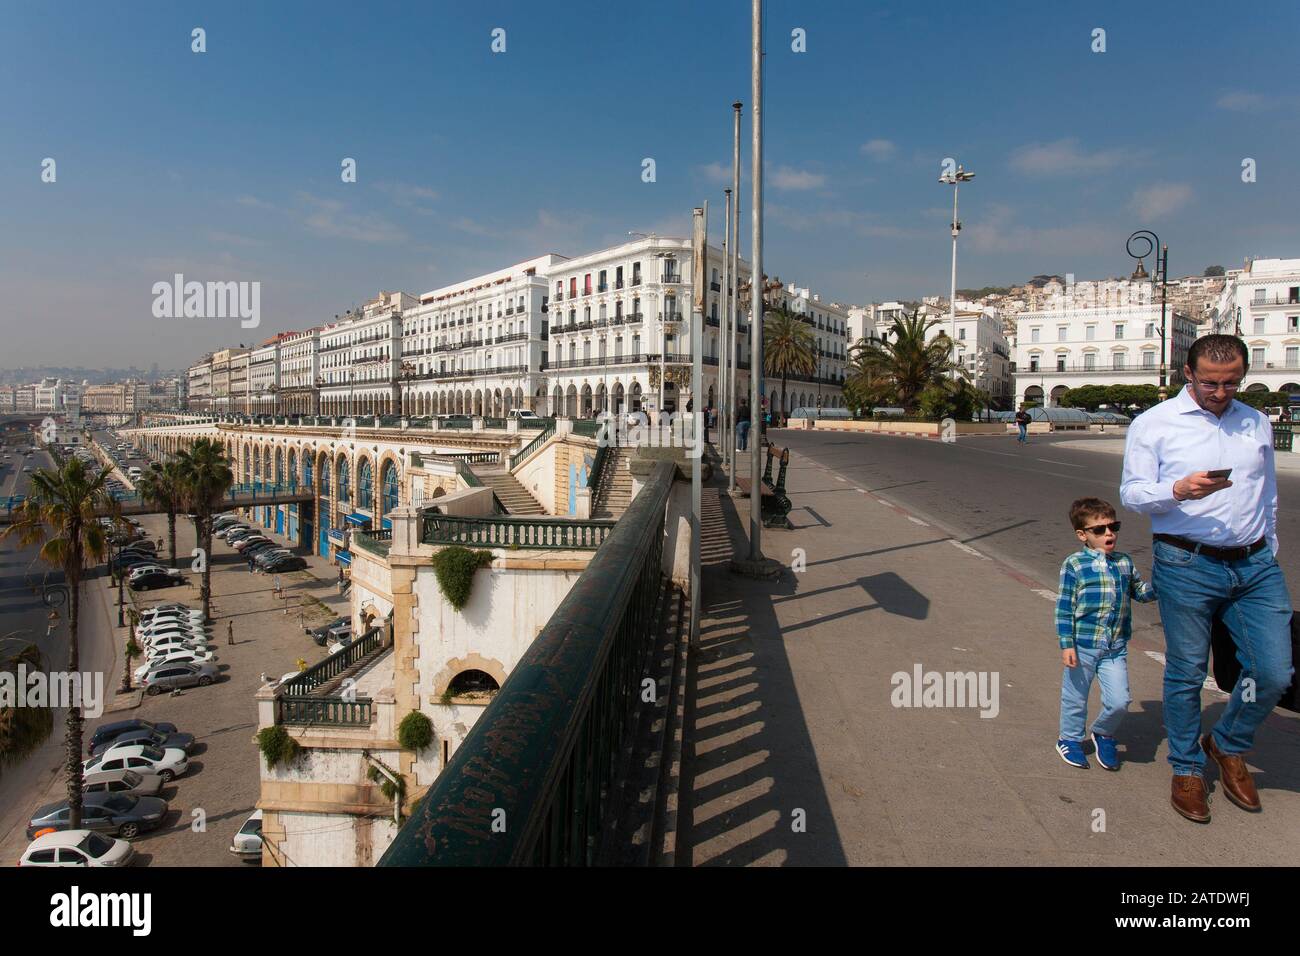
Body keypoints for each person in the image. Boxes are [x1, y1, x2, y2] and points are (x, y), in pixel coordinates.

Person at [1121, 334, 1294, 823]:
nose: (1221, 392)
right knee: (1187, 672)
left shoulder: (1255, 421)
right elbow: (1133, 494)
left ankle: (1227, 742)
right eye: (1211, 382)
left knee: (1275, 672)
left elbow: (1267, 495)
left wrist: (1270, 548)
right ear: (1188, 374)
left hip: (1256, 564)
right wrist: (1178, 489)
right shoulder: (1154, 424)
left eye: (1232, 382)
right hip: (1187, 562)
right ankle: (1187, 767)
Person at [1055, 497, 1155, 771]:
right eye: (1099, 530)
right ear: (1083, 535)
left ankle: (1103, 732)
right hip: (1083, 645)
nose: (1108, 533)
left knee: (1120, 700)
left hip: (1115, 647)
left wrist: (1161, 582)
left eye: (1113, 527)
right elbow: (1065, 607)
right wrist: (1067, 645)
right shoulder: (1074, 564)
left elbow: (1141, 593)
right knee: (1075, 696)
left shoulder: (1123, 562)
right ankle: (1070, 739)